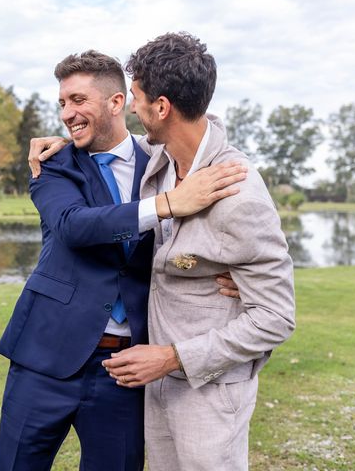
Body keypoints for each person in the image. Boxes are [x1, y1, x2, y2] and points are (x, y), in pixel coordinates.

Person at [0, 51, 247, 471]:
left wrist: (238, 275)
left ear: (116, 102)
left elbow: (215, 229)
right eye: (62, 103)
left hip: (127, 367)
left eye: (78, 100)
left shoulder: (164, 165)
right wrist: (167, 205)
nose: (67, 114)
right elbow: (74, 226)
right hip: (46, 356)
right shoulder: (52, 165)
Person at [99, 32, 296, 470]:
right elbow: (110, 145)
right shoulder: (159, 156)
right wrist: (55, 150)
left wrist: (171, 357)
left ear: (162, 107)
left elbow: (277, 316)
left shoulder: (240, 195)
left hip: (211, 393)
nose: (133, 107)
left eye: (137, 97)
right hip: (161, 386)